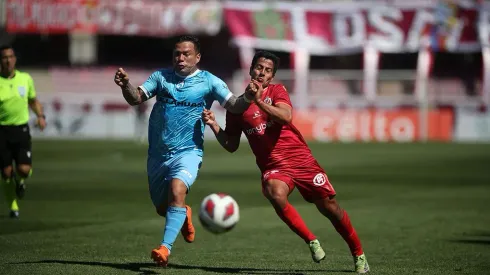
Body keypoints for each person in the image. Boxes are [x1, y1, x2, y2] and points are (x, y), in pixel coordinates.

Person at [202, 51, 370, 274]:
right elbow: (231, 145)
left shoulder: (277, 91)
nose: (262, 73)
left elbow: (285, 117)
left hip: (301, 161)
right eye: (259, 68)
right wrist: (214, 125)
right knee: (274, 192)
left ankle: (359, 254)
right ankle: (311, 240)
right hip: (274, 168)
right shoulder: (236, 109)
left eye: (268, 70)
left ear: (272, 76)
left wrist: (259, 101)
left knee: (330, 208)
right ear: (251, 69)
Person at [113, 35, 255, 267]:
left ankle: (164, 249)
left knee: (177, 190)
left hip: (188, 152)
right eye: (177, 53)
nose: (180, 58)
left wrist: (248, 96)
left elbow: (234, 105)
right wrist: (125, 85)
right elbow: (136, 98)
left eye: (186, 54)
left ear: (197, 57)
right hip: (158, 155)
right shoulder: (161, 77)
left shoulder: (209, 82)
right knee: (164, 208)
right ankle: (184, 214)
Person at [0, 45, 46, 218]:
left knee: (24, 170)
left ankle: (20, 182)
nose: (8, 60)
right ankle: (13, 207)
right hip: (2, 131)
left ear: (15, 59)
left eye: (11, 56)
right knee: (6, 173)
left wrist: (41, 116)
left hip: (21, 129)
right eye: (4, 57)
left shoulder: (25, 79)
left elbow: (33, 101)